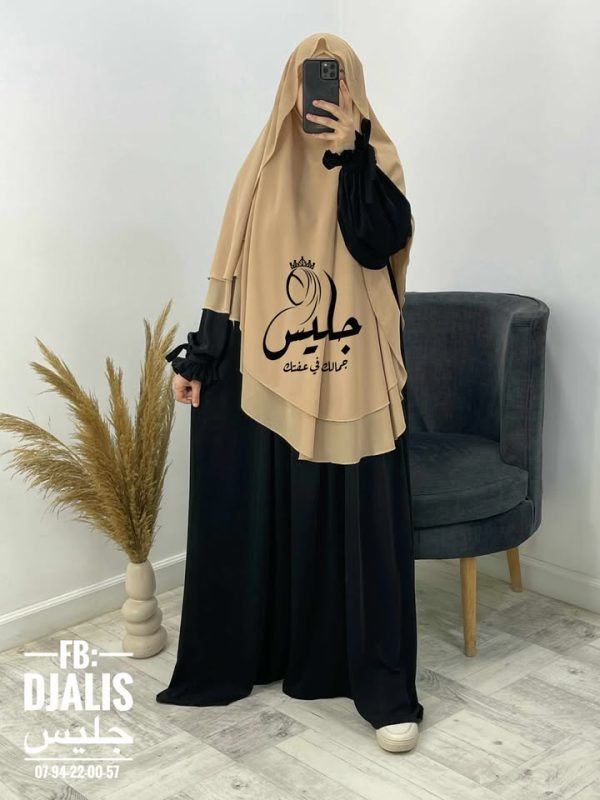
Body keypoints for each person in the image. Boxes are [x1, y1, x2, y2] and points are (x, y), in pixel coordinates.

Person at [156, 32, 424, 754]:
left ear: (353, 88)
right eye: (311, 81)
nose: (320, 94)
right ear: (290, 89)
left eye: (335, 80)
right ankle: (264, 651)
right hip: (272, 364)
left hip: (355, 368)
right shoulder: (261, 169)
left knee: (359, 517)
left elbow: (378, 244)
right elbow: (231, 275)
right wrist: (201, 359)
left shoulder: (379, 158)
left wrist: (355, 153)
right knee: (258, 499)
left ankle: (379, 682)